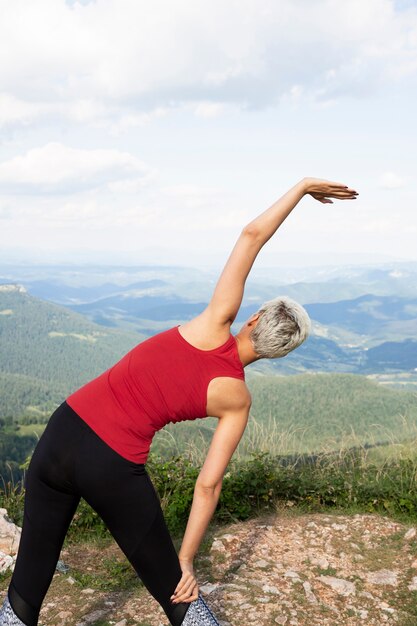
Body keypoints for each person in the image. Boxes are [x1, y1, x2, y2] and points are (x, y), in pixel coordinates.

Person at [0, 177, 358, 626]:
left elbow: (251, 236)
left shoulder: (214, 324)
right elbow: (208, 486)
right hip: (111, 464)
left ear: (254, 318)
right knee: (177, 595)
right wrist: (185, 562)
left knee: (27, 588)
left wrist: (302, 188)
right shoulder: (237, 400)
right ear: (278, 352)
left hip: (62, 431)